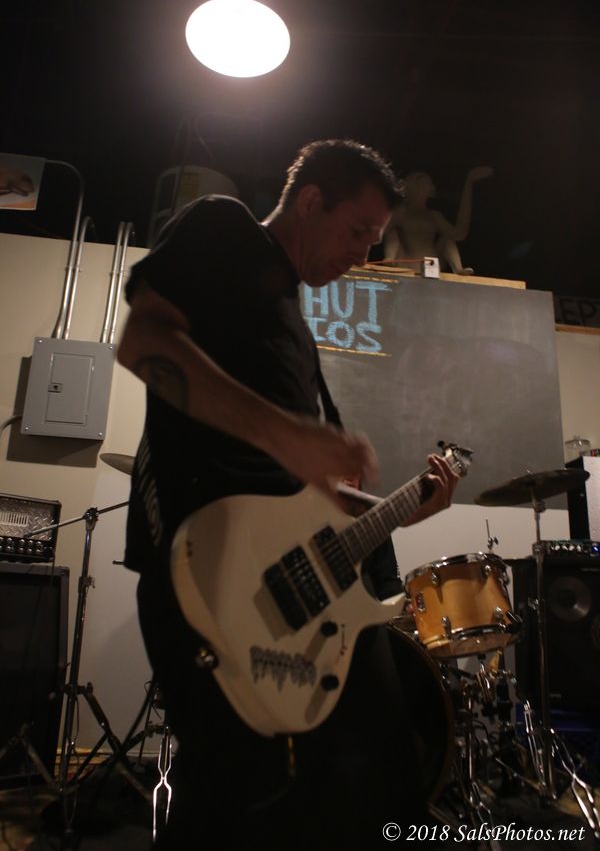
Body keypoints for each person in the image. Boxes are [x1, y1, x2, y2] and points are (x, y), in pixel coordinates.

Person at [117, 139, 458, 849]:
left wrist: (399, 509)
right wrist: (287, 435)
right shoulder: (224, 227)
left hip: (302, 590)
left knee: (368, 778)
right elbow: (142, 342)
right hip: (213, 574)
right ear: (309, 201)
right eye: (357, 230)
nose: (364, 253)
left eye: (374, 239)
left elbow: (299, 494)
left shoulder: (294, 325)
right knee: (238, 794)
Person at [383, 166, 493, 275]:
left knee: (447, 240)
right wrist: (393, 197)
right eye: (419, 181)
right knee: (392, 233)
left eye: (426, 183)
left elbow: (459, 234)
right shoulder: (401, 212)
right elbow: (382, 231)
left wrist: (469, 183)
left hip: (432, 265)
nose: (423, 185)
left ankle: (458, 269)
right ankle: (389, 259)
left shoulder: (433, 215)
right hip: (405, 263)